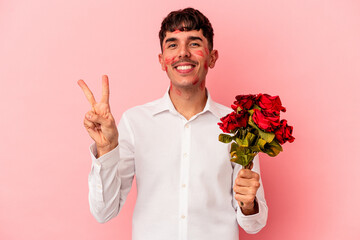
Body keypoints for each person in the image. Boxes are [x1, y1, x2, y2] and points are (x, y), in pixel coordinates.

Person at [78, 7, 268, 240]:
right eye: (172, 45)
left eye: (195, 43)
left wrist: (248, 204)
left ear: (212, 57)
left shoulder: (238, 126)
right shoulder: (135, 122)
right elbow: (103, 212)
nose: (183, 53)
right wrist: (106, 151)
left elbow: (254, 224)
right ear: (162, 61)